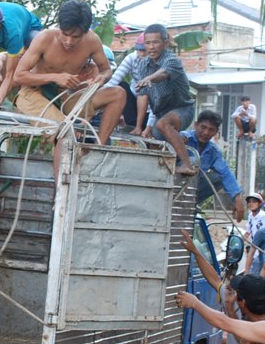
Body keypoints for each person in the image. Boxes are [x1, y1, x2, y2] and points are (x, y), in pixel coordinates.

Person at [13, 0, 126, 179]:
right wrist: (55, 77)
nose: (69, 41)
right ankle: (60, 194)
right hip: (33, 93)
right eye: (65, 35)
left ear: (86, 31)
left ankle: (98, 149)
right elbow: (18, 76)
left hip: (64, 96)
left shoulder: (92, 41)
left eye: (76, 37)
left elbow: (106, 70)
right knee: (66, 131)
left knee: (118, 94)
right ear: (60, 27)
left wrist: (101, 78)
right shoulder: (44, 38)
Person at [135, 23, 196, 175]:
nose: (151, 47)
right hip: (160, 113)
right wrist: (139, 126)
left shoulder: (172, 60)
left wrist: (149, 78)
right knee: (154, 140)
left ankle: (187, 164)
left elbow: (163, 73)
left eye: (155, 42)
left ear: (165, 43)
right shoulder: (143, 64)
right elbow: (143, 96)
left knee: (163, 124)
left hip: (183, 109)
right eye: (148, 43)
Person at [181, 110, 244, 222]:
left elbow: (225, 173)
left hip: (191, 189)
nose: (205, 132)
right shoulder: (183, 138)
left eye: (211, 130)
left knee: (217, 177)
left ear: (216, 132)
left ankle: (190, 204)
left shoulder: (213, 151)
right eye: (203, 127)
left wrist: (237, 199)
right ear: (196, 125)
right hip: (172, 184)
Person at [102, 34, 153, 134]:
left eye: (144, 51)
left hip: (152, 108)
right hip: (134, 101)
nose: (141, 54)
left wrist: (149, 126)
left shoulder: (158, 63)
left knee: (143, 91)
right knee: (121, 86)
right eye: (139, 50)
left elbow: (157, 99)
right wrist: (94, 97)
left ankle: (139, 126)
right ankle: (133, 125)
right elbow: (113, 81)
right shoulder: (132, 58)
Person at [244, 192, 265, 275]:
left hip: (264, 249)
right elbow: (248, 232)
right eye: (249, 202)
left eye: (254, 202)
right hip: (254, 248)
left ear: (259, 203)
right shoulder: (250, 216)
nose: (251, 204)